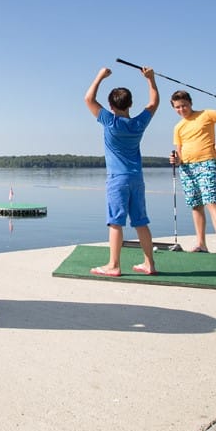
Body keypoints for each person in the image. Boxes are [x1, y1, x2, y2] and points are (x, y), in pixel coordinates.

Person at [84, 66, 159, 277]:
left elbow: (88, 99)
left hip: (117, 179)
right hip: (137, 178)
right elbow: (154, 103)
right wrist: (150, 79)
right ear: (131, 104)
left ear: (110, 105)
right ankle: (149, 264)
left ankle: (114, 265)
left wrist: (100, 76)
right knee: (141, 221)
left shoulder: (110, 121)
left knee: (116, 222)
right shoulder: (138, 123)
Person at [168, 91, 216, 261]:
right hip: (186, 168)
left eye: (184, 105)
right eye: (177, 107)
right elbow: (179, 154)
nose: (182, 109)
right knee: (196, 205)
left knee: (211, 202)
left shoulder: (206, 114)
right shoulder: (178, 127)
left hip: (206, 163)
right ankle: (201, 244)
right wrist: (175, 160)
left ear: (190, 103)